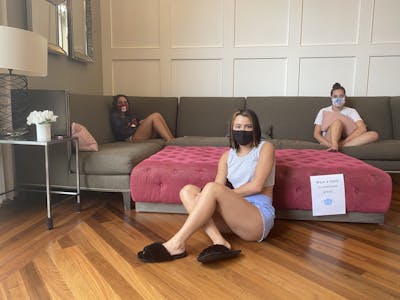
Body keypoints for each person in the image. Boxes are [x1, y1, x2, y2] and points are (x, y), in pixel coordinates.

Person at [137, 109, 275, 263]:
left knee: (211, 189)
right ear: (231, 129)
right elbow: (217, 186)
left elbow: (256, 186)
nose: (242, 131)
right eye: (238, 127)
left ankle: (176, 243)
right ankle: (219, 242)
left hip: (256, 220)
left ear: (255, 128)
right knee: (187, 191)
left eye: (248, 127)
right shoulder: (226, 157)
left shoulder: (265, 148)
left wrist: (221, 194)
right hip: (233, 221)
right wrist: (211, 196)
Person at [313, 83, 379, 151]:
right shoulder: (323, 111)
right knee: (338, 122)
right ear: (331, 98)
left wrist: (346, 141)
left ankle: (338, 146)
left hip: (345, 139)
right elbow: (316, 134)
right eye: (335, 96)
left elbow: (362, 128)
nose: (338, 99)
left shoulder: (352, 111)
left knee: (374, 135)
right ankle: (334, 145)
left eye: (341, 96)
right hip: (329, 139)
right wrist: (326, 143)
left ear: (345, 97)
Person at [109, 94, 174, 142]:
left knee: (157, 115)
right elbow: (123, 133)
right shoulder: (115, 117)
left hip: (139, 134)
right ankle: (170, 141)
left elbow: (137, 122)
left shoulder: (129, 115)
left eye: (125, 102)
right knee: (154, 116)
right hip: (130, 139)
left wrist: (142, 122)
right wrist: (138, 126)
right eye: (120, 102)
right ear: (115, 105)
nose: (123, 104)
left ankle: (172, 139)